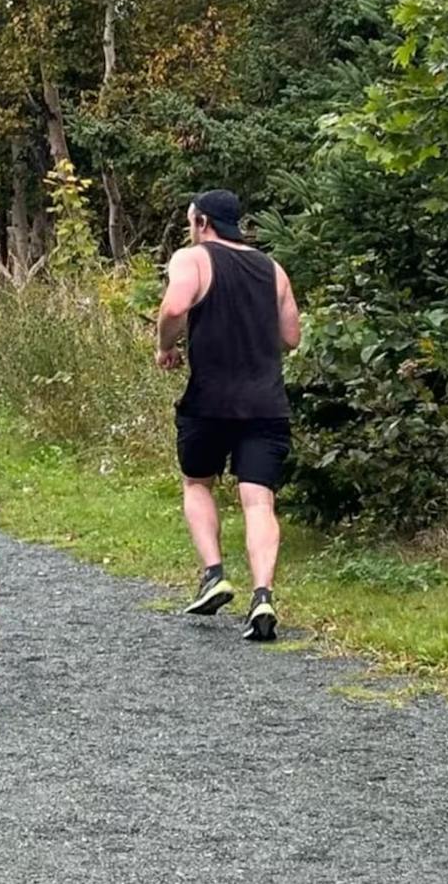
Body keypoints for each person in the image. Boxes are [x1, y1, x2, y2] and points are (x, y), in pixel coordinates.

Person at [155, 190, 300, 641]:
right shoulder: (272, 269)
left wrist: (166, 346)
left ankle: (214, 573)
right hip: (266, 404)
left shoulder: (193, 258)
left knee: (197, 482)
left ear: (201, 222)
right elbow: (292, 337)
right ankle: (263, 596)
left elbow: (175, 307)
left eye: (190, 220)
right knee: (259, 500)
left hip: (210, 401)